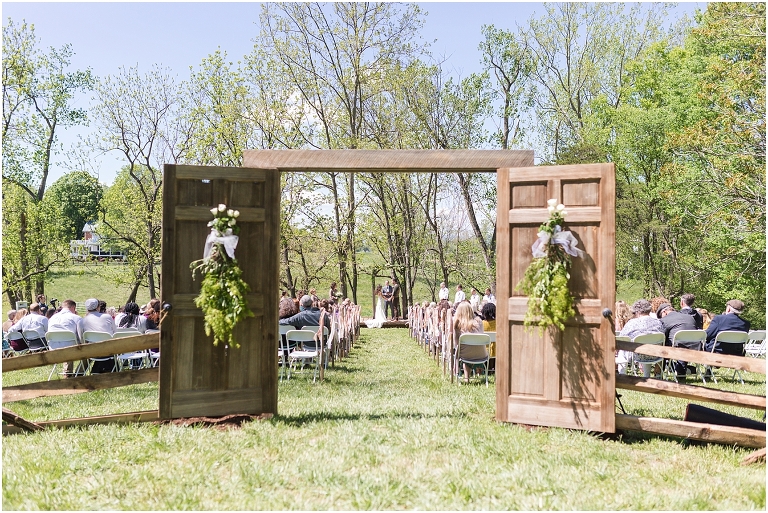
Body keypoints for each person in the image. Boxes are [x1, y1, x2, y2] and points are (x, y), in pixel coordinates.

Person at [617, 299, 664, 376]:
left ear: (637, 312)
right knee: (648, 345)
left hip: (637, 355)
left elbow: (622, 337)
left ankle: (622, 375)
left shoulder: (632, 323)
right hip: (655, 354)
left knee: (623, 348)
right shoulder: (658, 322)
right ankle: (646, 375)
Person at [657, 302, 699, 378]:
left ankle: (659, 374)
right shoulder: (689, 317)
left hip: (677, 349)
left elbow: (662, 336)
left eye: (660, 315)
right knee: (684, 342)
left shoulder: (665, 320)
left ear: (664, 312)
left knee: (661, 346)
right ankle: (681, 372)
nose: (661, 318)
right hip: (696, 348)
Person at [48, 299, 85, 377]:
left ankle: (68, 373)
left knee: (68, 343)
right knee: (88, 351)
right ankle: (79, 373)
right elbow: (81, 337)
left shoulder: (52, 318)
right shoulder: (76, 318)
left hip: (53, 350)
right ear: (73, 307)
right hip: (70, 350)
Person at [453, 301, 486, 383]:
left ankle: (465, 377)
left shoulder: (458, 324)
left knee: (465, 350)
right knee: (470, 349)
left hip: (465, 355)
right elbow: (482, 336)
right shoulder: (479, 321)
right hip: (482, 354)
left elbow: (456, 344)